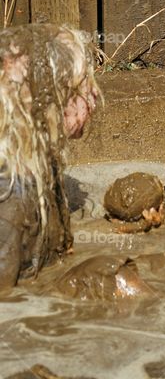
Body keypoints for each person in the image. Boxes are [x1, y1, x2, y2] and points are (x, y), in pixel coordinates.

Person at [0, 24, 101, 289]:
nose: (93, 97)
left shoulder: (41, 165)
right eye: (82, 87)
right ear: (48, 104)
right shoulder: (12, 197)